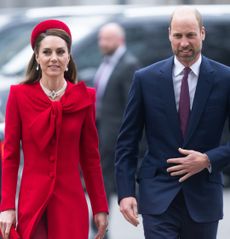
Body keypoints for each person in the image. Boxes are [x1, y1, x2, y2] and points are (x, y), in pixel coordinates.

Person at [115, 6, 230, 239]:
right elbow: (127, 141)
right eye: (178, 36)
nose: (184, 43)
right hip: (157, 197)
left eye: (191, 35)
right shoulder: (145, 79)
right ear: (169, 34)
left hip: (203, 198)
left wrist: (208, 160)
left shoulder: (225, 79)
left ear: (203, 33)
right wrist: (126, 192)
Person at [0, 19, 108, 239]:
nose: (54, 58)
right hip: (32, 203)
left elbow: (90, 159)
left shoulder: (84, 98)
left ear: (68, 57)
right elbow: (10, 157)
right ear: (37, 57)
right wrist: (7, 206)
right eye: (47, 52)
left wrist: (99, 207)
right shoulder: (19, 96)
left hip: (71, 203)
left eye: (60, 52)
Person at [94, 23, 140, 214]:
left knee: (107, 177)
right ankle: (100, 219)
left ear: (119, 40)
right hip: (103, 129)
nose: (102, 43)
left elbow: (132, 105)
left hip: (115, 134)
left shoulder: (128, 65)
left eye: (106, 39)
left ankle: (100, 220)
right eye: (100, 39)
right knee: (103, 177)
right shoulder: (107, 62)